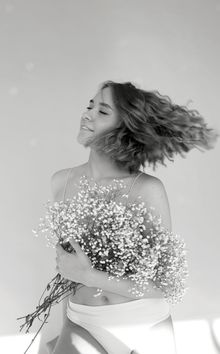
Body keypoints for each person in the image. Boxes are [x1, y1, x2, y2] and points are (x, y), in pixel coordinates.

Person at [46, 81, 219, 354]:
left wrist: (91, 276)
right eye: (90, 106)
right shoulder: (61, 183)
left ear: (124, 127)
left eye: (102, 111)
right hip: (83, 322)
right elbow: (68, 269)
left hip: (144, 326)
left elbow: (166, 286)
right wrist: (65, 330)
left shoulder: (147, 189)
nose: (87, 114)